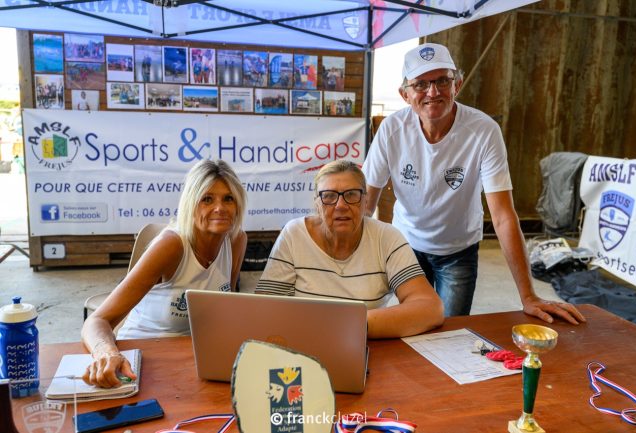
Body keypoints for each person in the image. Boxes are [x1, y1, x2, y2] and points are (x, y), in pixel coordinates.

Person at [362, 43, 586, 325]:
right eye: (420, 84)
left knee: (451, 329)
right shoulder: (392, 129)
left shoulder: (483, 130)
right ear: (405, 94)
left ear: (457, 84)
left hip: (458, 250)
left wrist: (528, 296)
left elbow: (503, 216)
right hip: (406, 247)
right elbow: (366, 203)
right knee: (415, 325)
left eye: (442, 81)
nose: (433, 92)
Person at [81, 159, 248, 388]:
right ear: (191, 204)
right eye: (207, 199)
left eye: (228, 198)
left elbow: (225, 310)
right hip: (144, 356)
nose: (220, 208)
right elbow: (96, 321)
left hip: (194, 355)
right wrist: (106, 353)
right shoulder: (171, 245)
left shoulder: (236, 240)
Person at [256, 160, 444, 339]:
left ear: (365, 201)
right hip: (303, 345)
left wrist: (352, 326)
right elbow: (263, 309)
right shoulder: (294, 235)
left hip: (365, 345)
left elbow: (430, 308)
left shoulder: (386, 238)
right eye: (329, 196)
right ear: (317, 204)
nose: (341, 205)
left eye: (352, 194)